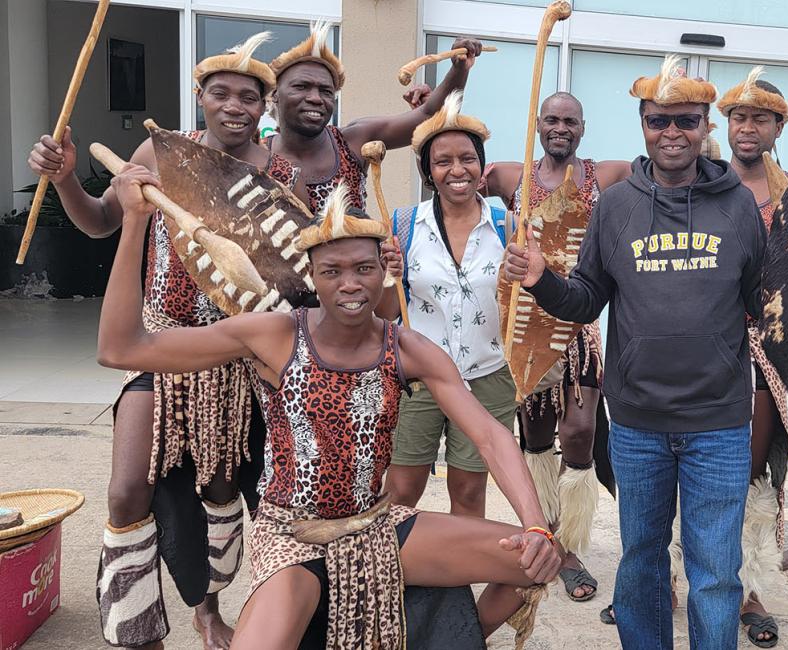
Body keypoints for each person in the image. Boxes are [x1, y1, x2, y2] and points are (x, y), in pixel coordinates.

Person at [97, 167, 564, 648]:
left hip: (376, 526)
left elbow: (489, 435)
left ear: (383, 270)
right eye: (331, 272)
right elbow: (120, 348)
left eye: (363, 269)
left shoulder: (408, 349)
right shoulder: (274, 335)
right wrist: (134, 223)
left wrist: (533, 525)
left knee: (534, 561)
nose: (350, 285)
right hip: (292, 536)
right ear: (313, 276)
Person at [27, 33, 303, 649]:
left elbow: (295, 275)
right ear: (200, 98)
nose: (234, 106)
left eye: (248, 97)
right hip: (159, 346)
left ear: (264, 108)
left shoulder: (281, 175)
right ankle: (137, 629)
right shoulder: (161, 150)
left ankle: (207, 610)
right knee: (128, 489)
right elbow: (102, 220)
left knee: (216, 490)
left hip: (237, 361)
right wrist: (70, 179)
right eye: (221, 94)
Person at [504, 54, 766, 649]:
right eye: (659, 121)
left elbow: (761, 300)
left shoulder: (739, 206)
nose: (672, 134)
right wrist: (543, 277)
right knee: (641, 562)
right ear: (643, 124)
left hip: (719, 423)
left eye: (686, 122)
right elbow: (585, 300)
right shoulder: (616, 205)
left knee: (716, 574)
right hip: (638, 424)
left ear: (706, 127)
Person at [482, 91, 631, 603]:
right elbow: (450, 178)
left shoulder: (601, 175)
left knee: (582, 429)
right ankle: (557, 545)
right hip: (526, 328)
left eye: (570, 120)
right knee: (538, 439)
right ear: (538, 124)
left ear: (582, 129)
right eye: (552, 119)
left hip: (577, 324)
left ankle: (572, 533)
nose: (561, 127)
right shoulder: (509, 175)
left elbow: (661, 172)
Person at [377, 92, 519, 521]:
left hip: (488, 376)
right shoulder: (402, 226)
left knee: (469, 490)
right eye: (443, 161)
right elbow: (385, 313)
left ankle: (455, 584)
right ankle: (393, 575)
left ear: (482, 166)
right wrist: (390, 275)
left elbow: (526, 310)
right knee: (402, 488)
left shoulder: (508, 226)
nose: (457, 170)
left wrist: (523, 278)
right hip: (418, 376)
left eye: (467, 159)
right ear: (427, 171)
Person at [713, 66, 788, 648]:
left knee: (747, 471)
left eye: (759, 119)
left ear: (777, 127)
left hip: (765, 349)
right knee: (687, 465)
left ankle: (746, 586)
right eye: (739, 117)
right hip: (704, 343)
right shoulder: (704, 181)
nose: (748, 127)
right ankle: (671, 573)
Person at [265, 22, 484, 211]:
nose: (315, 98)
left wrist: (460, 68)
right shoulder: (255, 156)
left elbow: (429, 115)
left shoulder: (352, 141)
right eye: (301, 87)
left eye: (326, 91)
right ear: (274, 94)